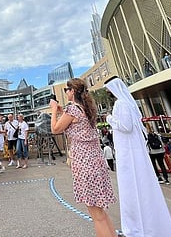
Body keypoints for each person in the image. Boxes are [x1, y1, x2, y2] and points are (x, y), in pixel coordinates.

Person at [104, 76, 171, 237]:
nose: (108, 91)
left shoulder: (121, 104)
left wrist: (109, 118)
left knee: (131, 189)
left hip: (128, 153)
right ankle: (139, 225)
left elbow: (125, 126)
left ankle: (134, 228)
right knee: (138, 187)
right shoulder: (127, 103)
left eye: (108, 88)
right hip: (130, 151)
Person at [50, 78, 117, 237]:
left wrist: (53, 110)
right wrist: (61, 111)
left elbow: (55, 128)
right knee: (100, 212)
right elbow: (74, 121)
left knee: (96, 216)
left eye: (67, 90)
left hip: (85, 162)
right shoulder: (85, 108)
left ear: (72, 91)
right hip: (95, 160)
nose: (66, 92)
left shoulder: (72, 109)